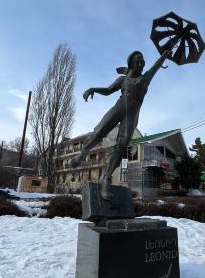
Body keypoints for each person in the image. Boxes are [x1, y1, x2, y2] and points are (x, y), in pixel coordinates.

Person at [70, 50, 171, 200]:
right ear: (130, 64)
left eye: (142, 61)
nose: (140, 63)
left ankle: (106, 178)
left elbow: (156, 66)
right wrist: (93, 89)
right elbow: (108, 90)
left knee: (121, 145)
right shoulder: (122, 80)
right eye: (137, 61)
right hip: (117, 109)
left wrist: (164, 55)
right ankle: (82, 154)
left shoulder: (145, 79)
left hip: (131, 117)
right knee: (99, 132)